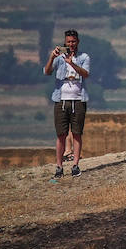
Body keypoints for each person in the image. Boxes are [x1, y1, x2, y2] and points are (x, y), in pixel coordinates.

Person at [44, 29, 90, 178]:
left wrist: (73, 64)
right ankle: (59, 166)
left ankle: (75, 165)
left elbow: (85, 74)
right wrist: (52, 57)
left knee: (77, 134)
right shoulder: (59, 58)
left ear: (78, 42)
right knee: (61, 134)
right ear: (65, 42)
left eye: (73, 42)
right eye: (68, 42)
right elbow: (47, 71)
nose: (71, 44)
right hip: (61, 99)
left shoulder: (84, 57)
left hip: (78, 99)